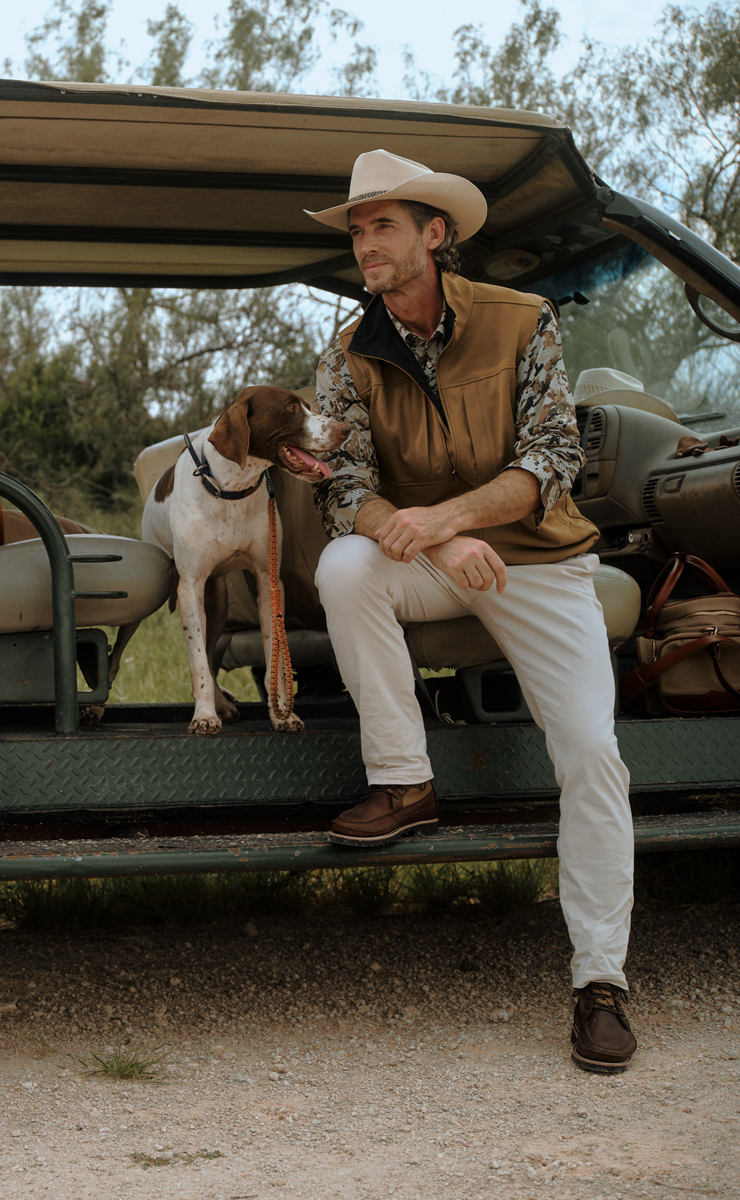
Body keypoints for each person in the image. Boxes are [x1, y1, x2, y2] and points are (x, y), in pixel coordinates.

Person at [304, 149, 637, 1073]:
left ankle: (600, 982)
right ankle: (405, 780)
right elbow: (344, 490)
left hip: (538, 564)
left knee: (591, 755)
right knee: (344, 567)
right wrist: (443, 543)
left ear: (434, 234)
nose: (366, 244)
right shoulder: (347, 352)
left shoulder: (524, 319)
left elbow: (549, 462)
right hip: (437, 559)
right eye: (357, 229)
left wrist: (448, 519)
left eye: (383, 226)